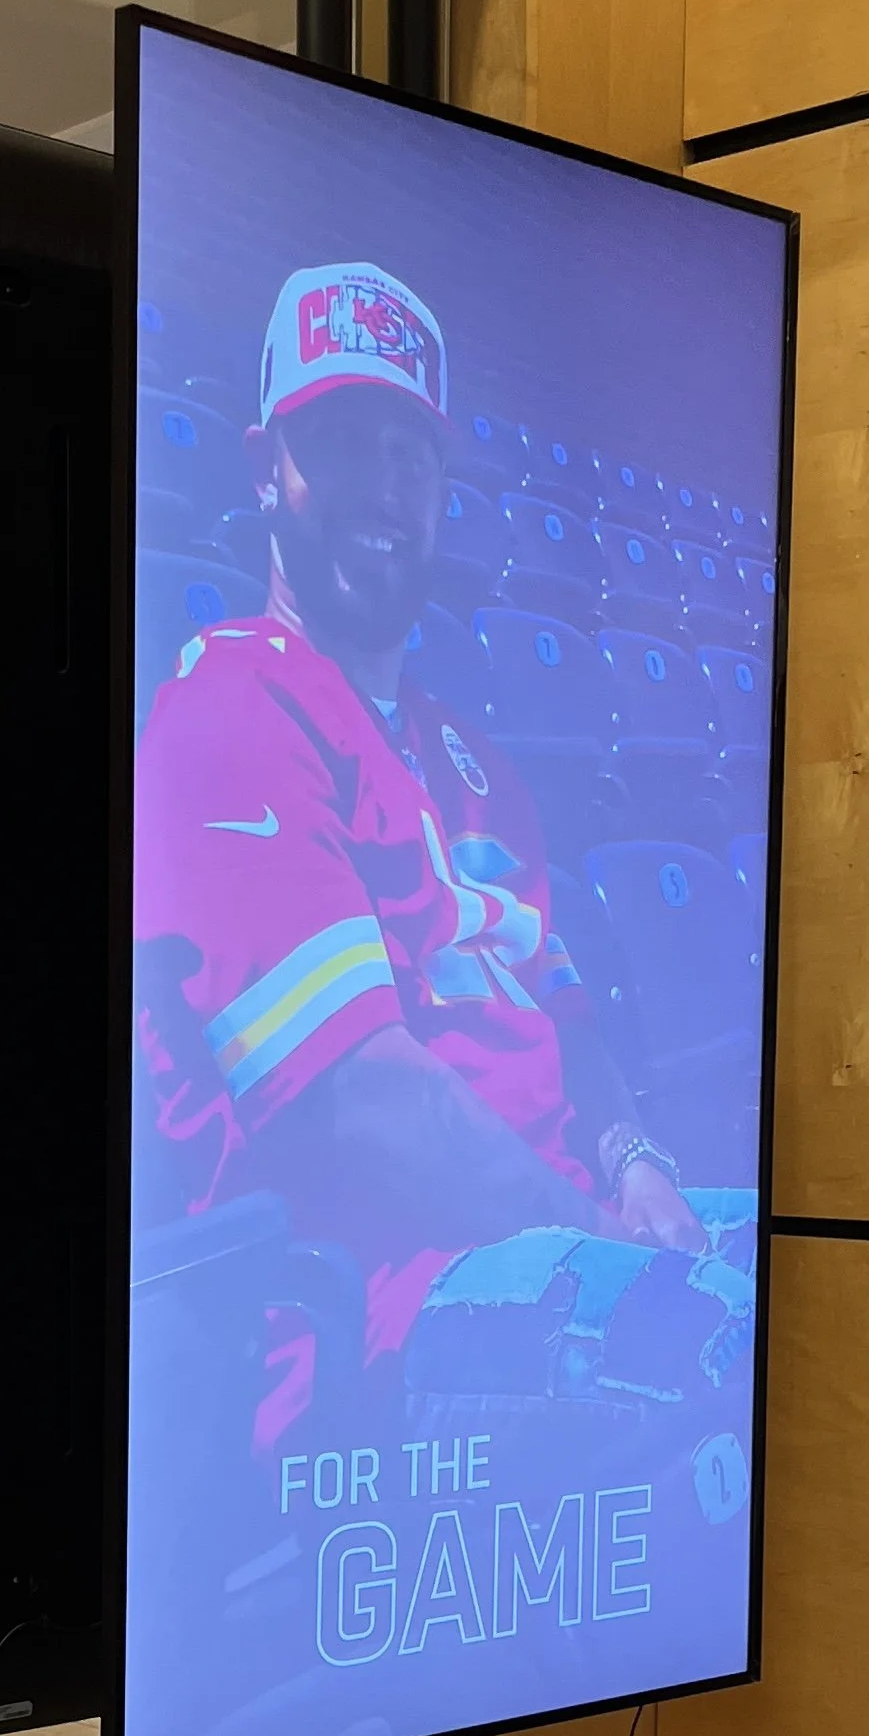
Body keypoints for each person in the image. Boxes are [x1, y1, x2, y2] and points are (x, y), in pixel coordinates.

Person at [133, 259, 752, 1405]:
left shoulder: (470, 759)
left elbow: (568, 1020)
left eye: (409, 452)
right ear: (268, 471)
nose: (384, 485)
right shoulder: (225, 711)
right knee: (747, 1339)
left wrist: (635, 1162)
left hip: (556, 1237)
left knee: (818, 1272)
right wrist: (607, 1238)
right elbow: (363, 1103)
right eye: (345, 441)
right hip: (384, 1314)